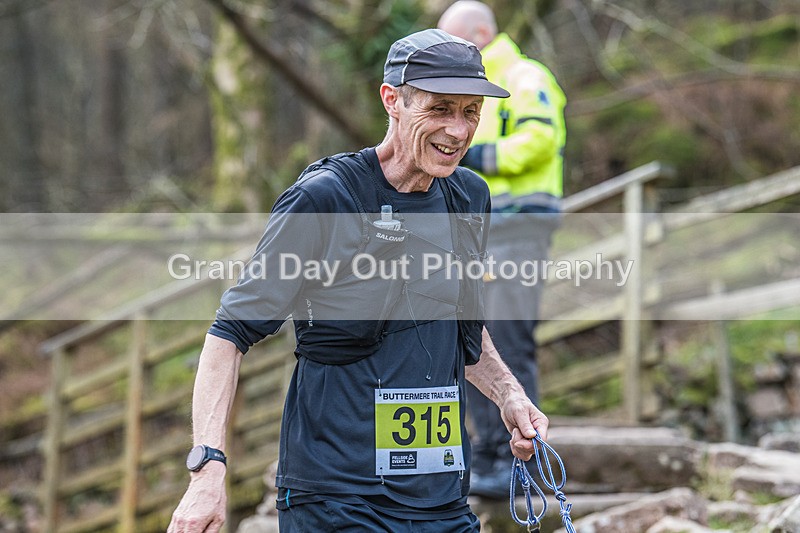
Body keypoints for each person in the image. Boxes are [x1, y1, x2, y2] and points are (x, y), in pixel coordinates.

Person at [168, 29, 549, 533]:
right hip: (339, 500)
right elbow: (228, 334)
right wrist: (207, 467)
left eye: (471, 112)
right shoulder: (325, 199)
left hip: (442, 501)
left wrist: (508, 394)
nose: (458, 130)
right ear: (392, 100)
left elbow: (460, 327)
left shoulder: (469, 197)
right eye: (440, 109)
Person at [438, 1, 567, 499]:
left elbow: (539, 140)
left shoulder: (524, 77)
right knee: (475, 336)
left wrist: (473, 155)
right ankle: (491, 454)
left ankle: (521, 466)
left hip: (520, 225)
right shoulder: (471, 86)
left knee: (508, 339)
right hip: (486, 230)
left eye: (455, 41)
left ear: (480, 34)